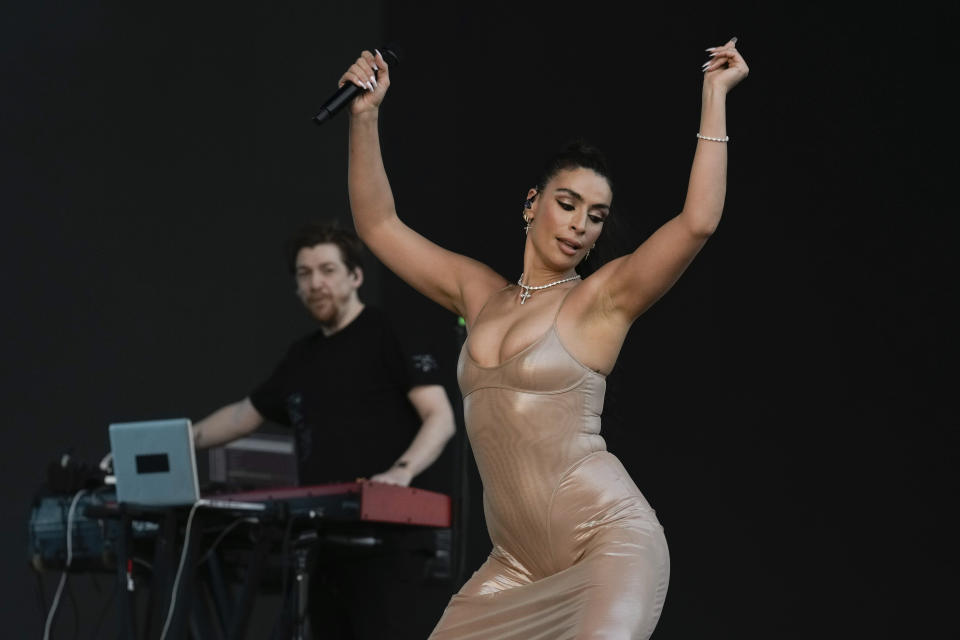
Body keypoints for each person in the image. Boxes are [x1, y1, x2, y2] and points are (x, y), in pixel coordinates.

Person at [337, 37, 748, 639]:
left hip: (610, 545)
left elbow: (698, 222)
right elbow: (377, 224)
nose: (581, 224)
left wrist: (715, 95)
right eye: (568, 203)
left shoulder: (599, 300)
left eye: (597, 215)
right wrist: (365, 116)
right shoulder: (478, 293)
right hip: (516, 567)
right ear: (532, 204)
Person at [191, 221, 457, 639]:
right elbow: (245, 413)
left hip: (387, 544)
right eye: (304, 273)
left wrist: (400, 473)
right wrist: (181, 441)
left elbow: (440, 417)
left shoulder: (387, 333)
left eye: (327, 270)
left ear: (356, 276)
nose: (316, 283)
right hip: (324, 544)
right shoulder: (301, 357)